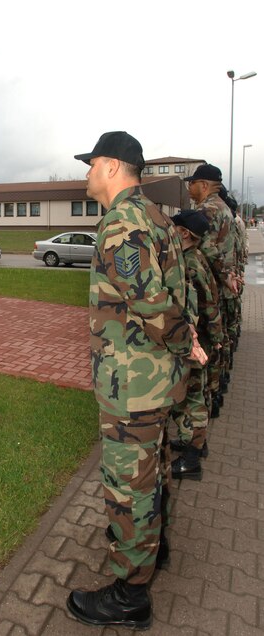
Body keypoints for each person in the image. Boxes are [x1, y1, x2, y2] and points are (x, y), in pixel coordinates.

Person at [66, 132, 206, 630]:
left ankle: (130, 594)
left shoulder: (122, 222)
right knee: (153, 470)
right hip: (156, 380)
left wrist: (183, 340)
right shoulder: (157, 217)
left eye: (91, 164)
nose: (86, 173)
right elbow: (177, 292)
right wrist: (186, 340)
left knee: (129, 485)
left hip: (134, 385)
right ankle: (153, 546)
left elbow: (150, 301)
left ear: (111, 166)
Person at [170, 209, 223, 480]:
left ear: (184, 233)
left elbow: (208, 304)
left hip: (196, 342)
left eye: (174, 229)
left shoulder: (190, 264)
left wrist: (214, 340)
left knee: (191, 398)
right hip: (201, 339)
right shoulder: (194, 257)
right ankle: (193, 442)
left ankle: (192, 458)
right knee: (194, 395)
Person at [185, 164, 237, 418]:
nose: (189, 187)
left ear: (204, 185)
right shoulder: (224, 208)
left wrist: (224, 276)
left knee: (208, 347)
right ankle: (216, 393)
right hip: (222, 290)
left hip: (210, 290)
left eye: (192, 183)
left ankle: (206, 403)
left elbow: (205, 247)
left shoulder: (208, 209)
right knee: (220, 342)